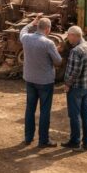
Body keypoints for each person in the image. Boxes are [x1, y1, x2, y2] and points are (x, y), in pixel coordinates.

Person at [20, 14, 62, 147]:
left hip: (30, 79)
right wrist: (56, 51)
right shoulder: (48, 43)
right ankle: (43, 140)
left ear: (37, 27)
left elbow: (23, 30)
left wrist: (32, 22)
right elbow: (58, 61)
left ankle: (28, 137)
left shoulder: (26, 38)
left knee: (30, 109)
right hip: (45, 81)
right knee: (44, 111)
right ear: (48, 29)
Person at [62, 25, 87, 151]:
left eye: (69, 35)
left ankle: (75, 141)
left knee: (74, 115)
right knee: (86, 114)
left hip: (76, 88)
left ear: (74, 35)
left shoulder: (76, 51)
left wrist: (67, 84)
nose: (68, 38)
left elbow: (75, 71)